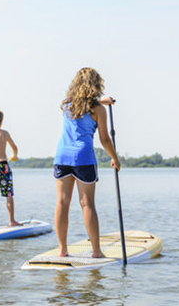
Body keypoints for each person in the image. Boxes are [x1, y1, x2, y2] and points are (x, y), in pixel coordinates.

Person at [53, 67, 121, 258]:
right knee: (87, 204)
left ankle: (62, 250)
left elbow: (82, 104)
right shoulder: (98, 110)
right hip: (83, 158)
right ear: (96, 84)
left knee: (62, 202)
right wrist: (115, 159)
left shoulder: (67, 105)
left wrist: (101, 101)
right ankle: (97, 251)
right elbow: (105, 139)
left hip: (62, 156)